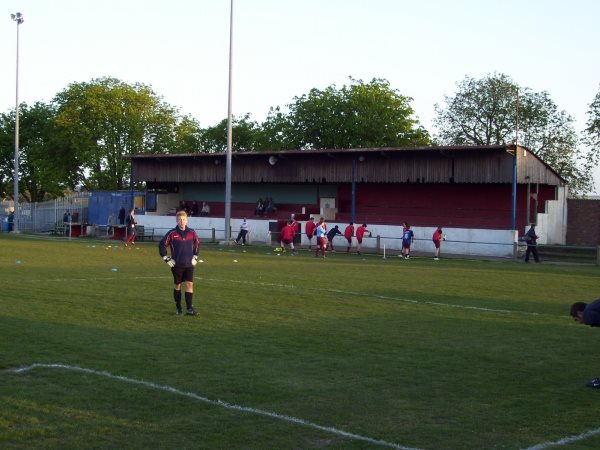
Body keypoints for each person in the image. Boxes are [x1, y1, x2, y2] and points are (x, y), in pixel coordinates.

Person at [158, 210, 201, 316]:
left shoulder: (192, 232)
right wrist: (166, 258)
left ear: (187, 220)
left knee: (189, 284)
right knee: (177, 286)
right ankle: (178, 308)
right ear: (176, 221)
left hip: (189, 265)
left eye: (183, 219)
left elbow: (198, 243)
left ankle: (189, 309)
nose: (182, 221)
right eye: (179, 220)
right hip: (176, 265)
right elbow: (162, 245)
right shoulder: (172, 234)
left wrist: (195, 256)